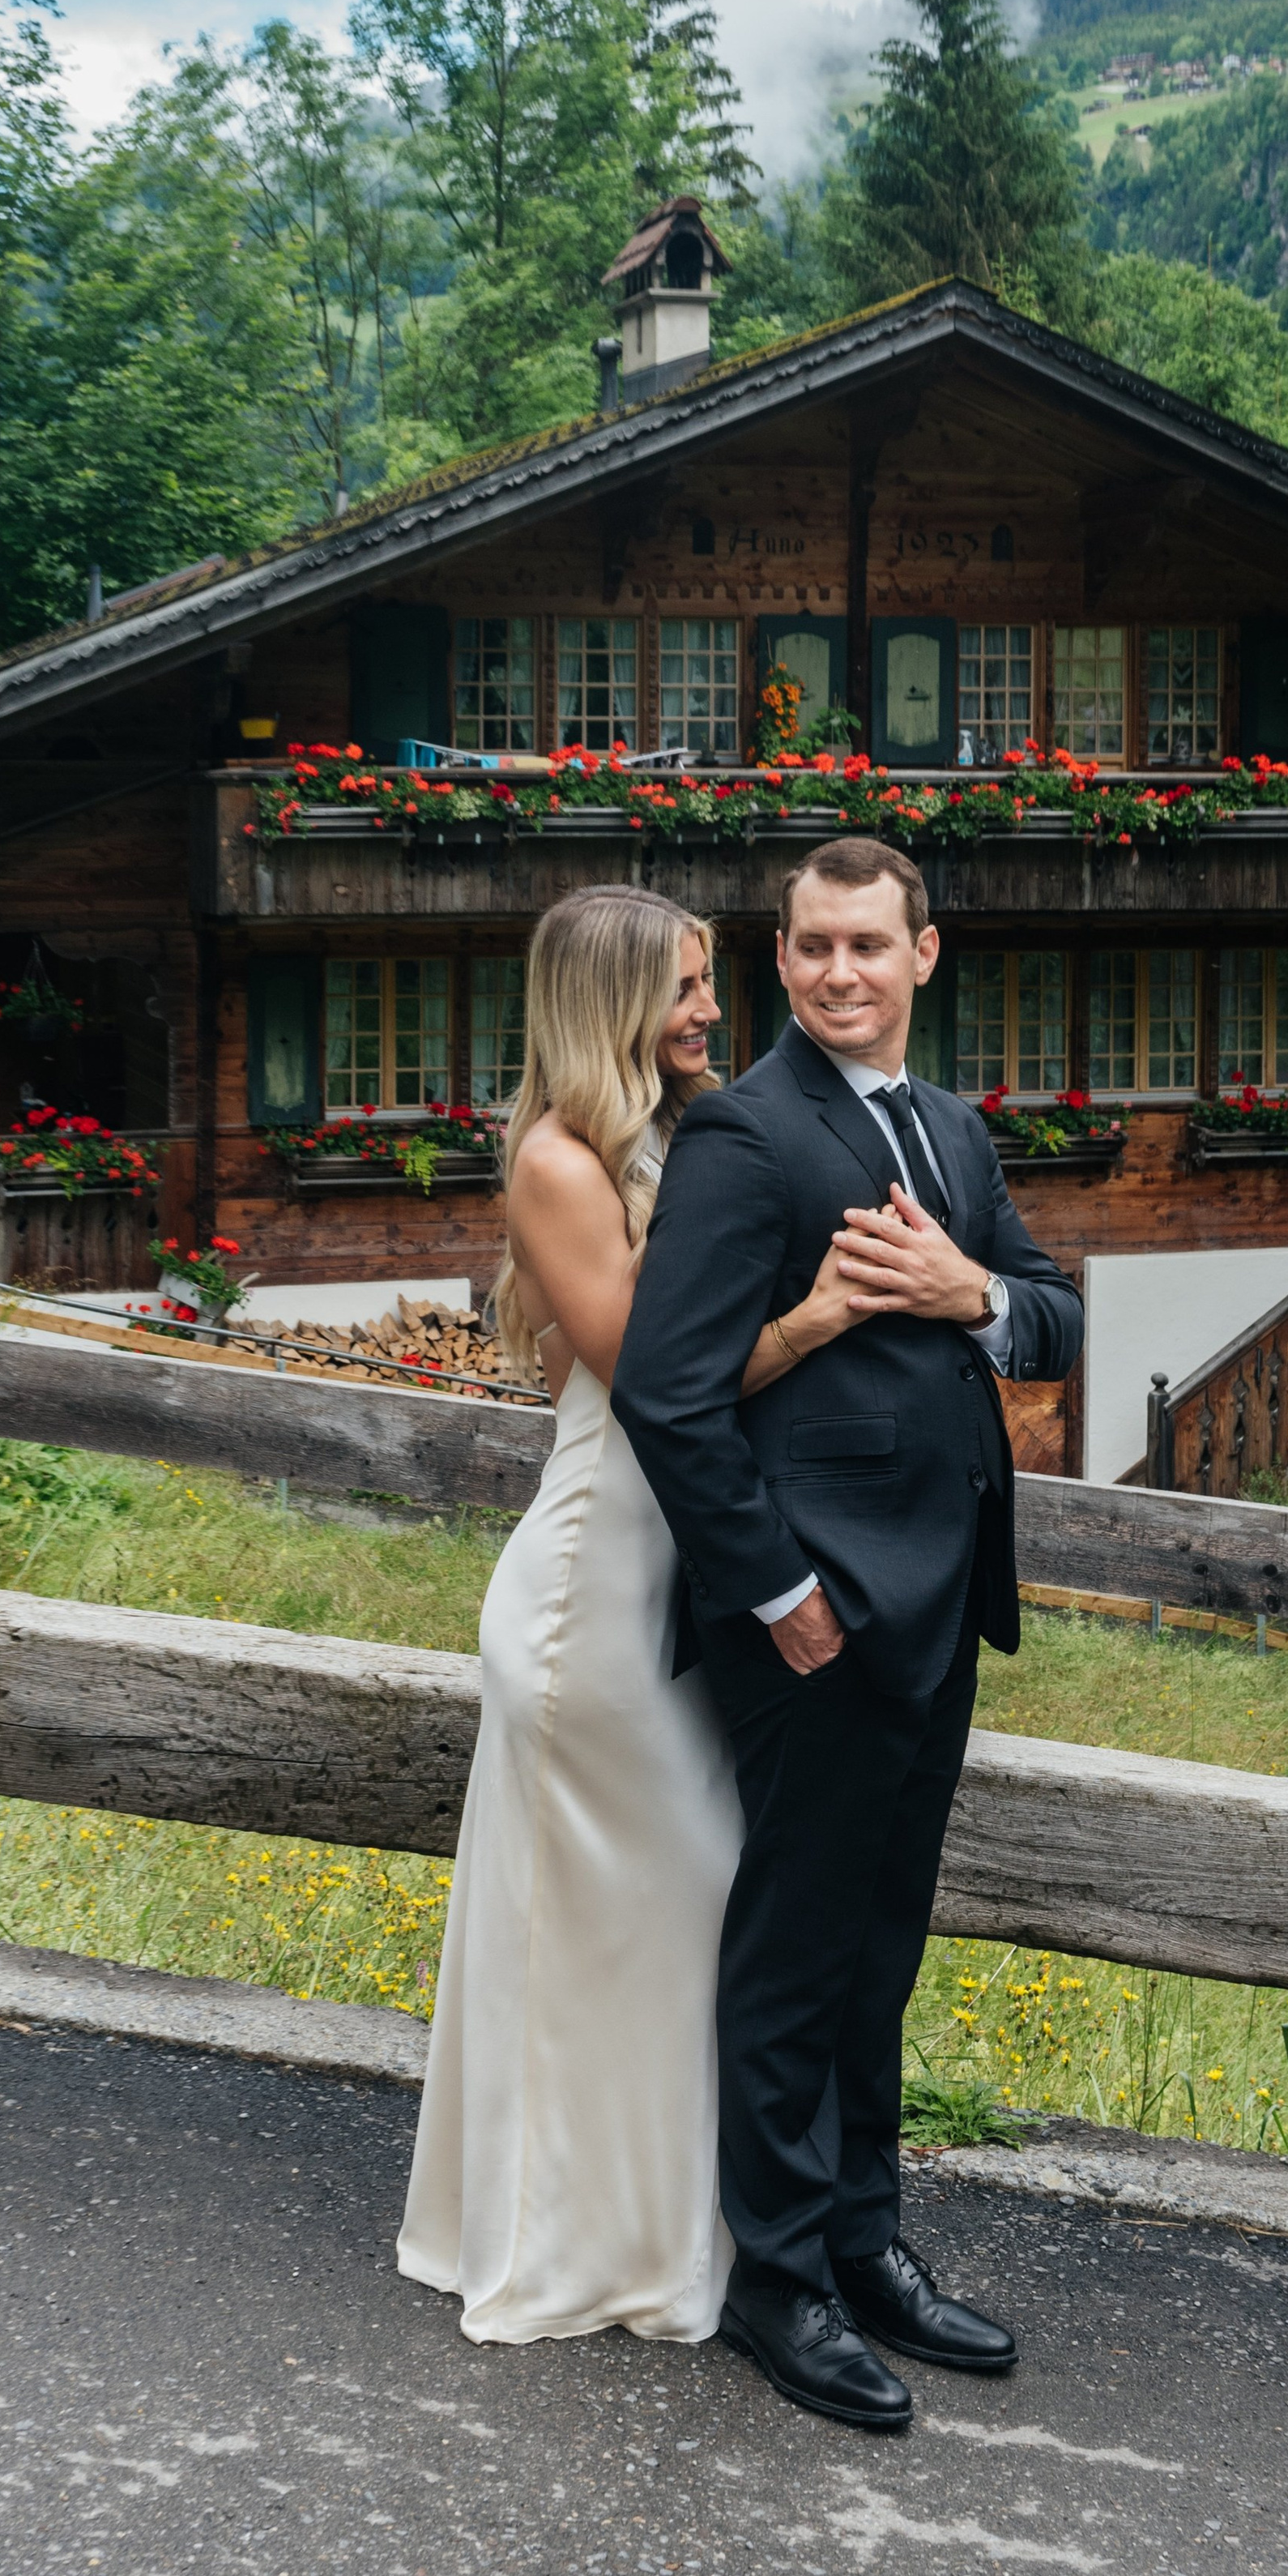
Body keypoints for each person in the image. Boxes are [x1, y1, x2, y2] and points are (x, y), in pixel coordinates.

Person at [612, 837, 1085, 2431]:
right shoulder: (750, 1132)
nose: (836, 973)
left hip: (941, 1608)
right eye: (810, 946)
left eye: (866, 946)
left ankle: (866, 2241)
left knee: (880, 1948)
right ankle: (776, 2276)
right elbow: (668, 1396)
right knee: (797, 1951)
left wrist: (968, 1292)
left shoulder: (948, 1131)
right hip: (812, 1619)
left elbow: (1055, 1314)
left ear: (921, 956)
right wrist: (775, 1592)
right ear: (780, 955)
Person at [396, 884, 871, 2345]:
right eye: (680, 989)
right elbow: (664, 1378)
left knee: (669, 1917)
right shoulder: (557, 1162)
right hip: (592, 1594)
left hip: (676, 1577)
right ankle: (585, 2242)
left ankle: (675, 2231)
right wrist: (818, 1316)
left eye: (711, 984)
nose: (709, 1011)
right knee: (649, 1905)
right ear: (606, 1000)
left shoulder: (670, 1137)